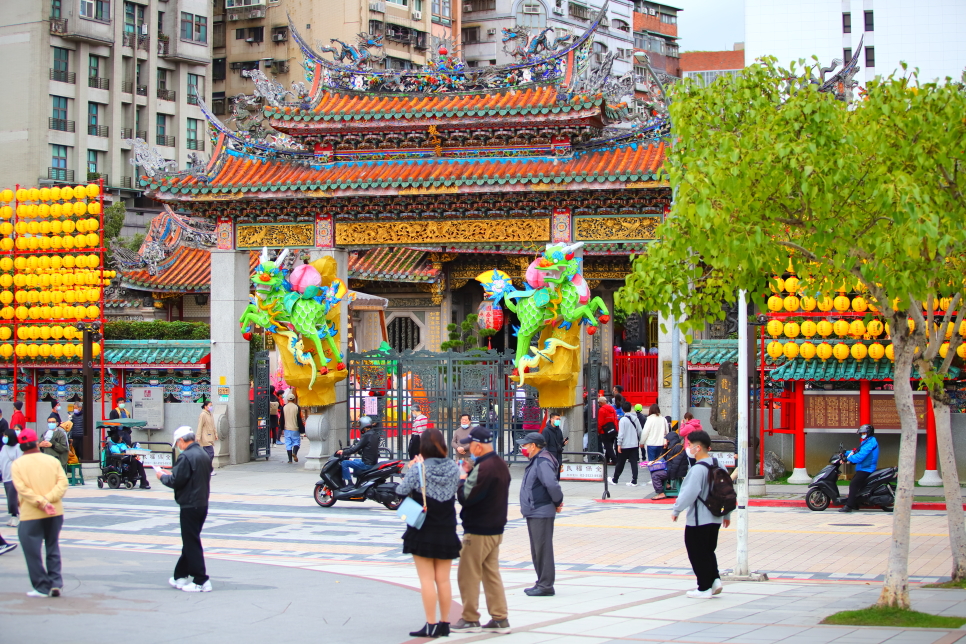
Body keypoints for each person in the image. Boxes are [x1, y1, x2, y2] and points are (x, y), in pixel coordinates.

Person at [394, 428, 462, 638]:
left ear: (422, 447)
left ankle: (430, 623)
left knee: (426, 579)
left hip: (422, 528)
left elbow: (400, 491)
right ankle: (444, 623)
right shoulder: (453, 467)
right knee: (443, 579)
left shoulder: (419, 469)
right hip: (447, 527)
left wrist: (410, 467)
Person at [451, 427, 512, 634]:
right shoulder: (501, 465)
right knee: (490, 573)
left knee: (467, 574)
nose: (470, 449)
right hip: (496, 528)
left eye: (471, 445)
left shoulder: (485, 468)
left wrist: (461, 478)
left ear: (478, 445)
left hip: (478, 530)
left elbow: (466, 497)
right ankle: (500, 617)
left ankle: (470, 618)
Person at [671, 430, 732, 598]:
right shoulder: (719, 465)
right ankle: (714, 580)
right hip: (716, 517)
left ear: (698, 448)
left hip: (699, 519)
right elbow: (727, 490)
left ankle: (704, 587)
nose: (688, 448)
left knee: (697, 552)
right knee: (708, 550)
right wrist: (727, 514)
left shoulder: (697, 469)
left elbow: (688, 493)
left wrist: (676, 509)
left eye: (689, 445)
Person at [11, 428, 68, 597]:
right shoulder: (52, 461)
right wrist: (49, 499)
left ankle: (42, 587)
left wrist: (42, 502)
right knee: (52, 546)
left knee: (32, 552)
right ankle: (56, 582)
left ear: (21, 446)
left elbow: (22, 490)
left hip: (31, 513)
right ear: (37, 443)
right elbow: (62, 484)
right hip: (55, 512)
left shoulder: (18, 464)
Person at [157, 426, 212, 592]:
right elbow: (188, 475)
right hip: (201, 502)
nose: (178, 447)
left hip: (190, 503)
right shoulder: (202, 453)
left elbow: (175, 481)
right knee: (190, 541)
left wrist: (162, 476)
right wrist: (172, 473)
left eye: (178, 443)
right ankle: (179, 576)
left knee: (191, 542)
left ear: (181, 440)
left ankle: (201, 580)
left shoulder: (186, 456)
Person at [516, 431, 563, 597]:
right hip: (535, 510)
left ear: (534, 446)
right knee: (538, 549)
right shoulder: (536, 460)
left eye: (525, 445)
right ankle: (541, 582)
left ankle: (546, 585)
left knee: (542, 549)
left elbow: (552, 484)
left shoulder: (542, 461)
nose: (523, 448)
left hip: (541, 510)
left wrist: (558, 502)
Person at [840, 424, 879, 513]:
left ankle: (849, 506)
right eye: (861, 433)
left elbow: (860, 456)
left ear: (869, 433)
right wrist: (846, 452)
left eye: (864, 433)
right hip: (863, 468)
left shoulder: (871, 443)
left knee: (854, 484)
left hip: (867, 468)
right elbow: (857, 451)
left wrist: (847, 459)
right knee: (857, 485)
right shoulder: (866, 442)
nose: (862, 435)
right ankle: (856, 503)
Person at [336, 416, 381, 487]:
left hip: (367, 464)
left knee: (344, 463)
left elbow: (355, 448)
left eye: (360, 424)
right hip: (371, 462)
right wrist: (359, 451)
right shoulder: (374, 434)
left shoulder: (367, 435)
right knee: (355, 460)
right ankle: (358, 481)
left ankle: (350, 483)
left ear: (364, 425)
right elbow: (368, 447)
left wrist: (343, 452)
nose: (359, 426)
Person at [650, 428, 688, 500]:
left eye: (667, 440)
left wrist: (671, 477)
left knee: (655, 475)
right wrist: (664, 448)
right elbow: (662, 456)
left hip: (676, 471)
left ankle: (661, 493)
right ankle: (666, 487)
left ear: (670, 440)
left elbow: (675, 464)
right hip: (672, 469)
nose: (666, 441)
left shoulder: (677, 447)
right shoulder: (673, 447)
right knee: (655, 471)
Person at [611, 401, 642, 487]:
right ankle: (634, 480)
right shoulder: (636, 418)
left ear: (623, 409)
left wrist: (619, 444)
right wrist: (640, 441)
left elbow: (621, 434)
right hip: (634, 444)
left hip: (625, 445)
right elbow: (640, 431)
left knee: (621, 463)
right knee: (634, 463)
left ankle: (615, 479)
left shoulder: (622, 420)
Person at [2, 426, 21, 527]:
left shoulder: (17, 447)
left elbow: (20, 461)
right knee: (9, 497)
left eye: (6, 435)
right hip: (5, 476)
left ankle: (15, 516)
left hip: (14, 476)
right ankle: (13, 516)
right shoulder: (4, 447)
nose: (4, 437)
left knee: (12, 497)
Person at [280, 392, 304, 463]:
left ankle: (290, 460)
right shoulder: (297, 407)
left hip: (286, 428)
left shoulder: (284, 407)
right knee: (296, 442)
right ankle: (295, 452)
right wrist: (302, 429)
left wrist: (281, 428)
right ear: (294, 399)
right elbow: (299, 419)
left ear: (287, 400)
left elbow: (281, 419)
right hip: (295, 428)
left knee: (288, 444)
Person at [542, 413, 567, 480]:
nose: (558, 421)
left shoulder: (558, 430)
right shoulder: (546, 431)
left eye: (559, 419)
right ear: (551, 419)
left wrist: (563, 443)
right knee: (550, 478)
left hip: (558, 457)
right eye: (557, 419)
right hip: (550, 458)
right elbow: (544, 445)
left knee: (556, 478)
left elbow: (559, 443)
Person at [196, 399, 216, 475]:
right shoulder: (203, 414)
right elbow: (200, 426)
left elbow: (213, 425)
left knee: (208, 454)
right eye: (210, 406)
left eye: (211, 406)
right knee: (210, 453)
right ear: (205, 406)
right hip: (205, 437)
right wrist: (198, 436)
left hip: (210, 436)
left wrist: (215, 434)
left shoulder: (210, 414)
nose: (211, 407)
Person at [596, 397, 618, 465]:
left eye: (599, 403)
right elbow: (615, 419)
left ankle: (614, 460)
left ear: (601, 402)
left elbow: (600, 422)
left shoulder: (601, 410)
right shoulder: (612, 408)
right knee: (610, 445)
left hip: (604, 431)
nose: (598, 404)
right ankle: (607, 459)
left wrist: (599, 431)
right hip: (613, 430)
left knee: (608, 446)